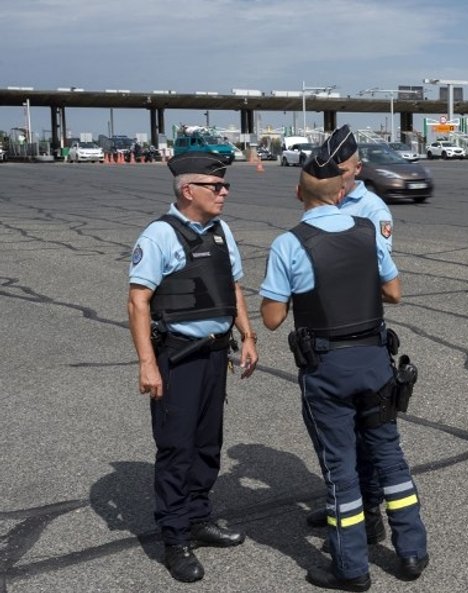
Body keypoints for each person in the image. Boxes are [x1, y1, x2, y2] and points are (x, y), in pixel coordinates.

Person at [259, 141, 428, 591]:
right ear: (339, 193)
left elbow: (273, 319)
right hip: (375, 360)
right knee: (390, 455)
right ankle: (411, 551)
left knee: (340, 469)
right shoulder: (366, 231)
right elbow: (394, 293)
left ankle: (351, 568)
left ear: (300, 194)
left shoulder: (290, 243)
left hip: (328, 366)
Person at [127, 152, 259, 583]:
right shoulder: (159, 236)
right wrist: (148, 364)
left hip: (214, 354)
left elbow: (233, 285)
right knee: (176, 447)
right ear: (188, 191)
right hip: (177, 357)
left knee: (207, 444)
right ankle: (174, 537)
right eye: (215, 186)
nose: (224, 192)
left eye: (225, 186)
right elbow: (138, 302)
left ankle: (200, 518)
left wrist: (248, 335)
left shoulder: (221, 232)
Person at [305, 125, 391, 544]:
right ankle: (342, 502)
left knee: (366, 431)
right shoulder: (322, 198)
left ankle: (370, 514)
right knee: (330, 431)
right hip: (323, 333)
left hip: (358, 330)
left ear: (355, 168)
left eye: (341, 169)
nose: (335, 176)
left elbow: (383, 276)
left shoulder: (372, 209)